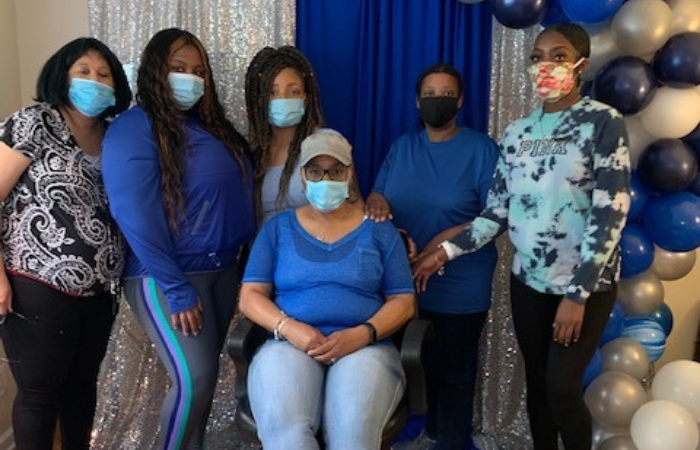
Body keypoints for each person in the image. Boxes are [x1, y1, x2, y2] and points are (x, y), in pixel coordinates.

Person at [414, 24, 630, 450]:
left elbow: (611, 211)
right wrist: (444, 252)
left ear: (580, 65)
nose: (545, 65)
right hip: (527, 280)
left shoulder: (603, 122)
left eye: (558, 55)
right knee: (537, 383)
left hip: (584, 284)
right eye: (537, 56)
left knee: (563, 388)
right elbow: (496, 212)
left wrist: (577, 295)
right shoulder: (517, 133)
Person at [101, 28, 255, 450]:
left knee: (203, 392)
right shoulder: (134, 128)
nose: (190, 78)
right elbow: (135, 214)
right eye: (178, 69)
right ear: (155, 72)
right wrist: (176, 288)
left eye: (198, 71)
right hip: (167, 276)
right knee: (195, 378)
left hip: (224, 272)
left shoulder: (215, 128)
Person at [239, 128, 415, 450]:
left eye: (335, 170)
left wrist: (363, 333)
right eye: (315, 171)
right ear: (302, 178)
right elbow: (250, 297)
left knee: (353, 432)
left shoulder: (379, 231)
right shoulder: (277, 229)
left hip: (365, 348)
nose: (326, 179)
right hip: (289, 345)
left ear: (349, 175)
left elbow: (404, 301)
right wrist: (289, 328)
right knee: (285, 435)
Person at [0, 37, 131, 449]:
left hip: (99, 292)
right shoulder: (35, 122)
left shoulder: (116, 137)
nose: (95, 80)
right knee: (41, 396)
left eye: (104, 73)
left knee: (81, 393)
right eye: (84, 71)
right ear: (62, 75)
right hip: (37, 284)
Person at [366, 63, 499, 450]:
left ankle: (452, 442)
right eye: (429, 94)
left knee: (454, 374)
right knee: (415, 369)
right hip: (404, 284)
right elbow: (379, 195)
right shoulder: (402, 147)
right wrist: (375, 200)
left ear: (459, 101)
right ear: (416, 101)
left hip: (460, 282)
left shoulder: (480, 150)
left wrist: (437, 249)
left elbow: (495, 215)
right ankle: (428, 434)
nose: (437, 101)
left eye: (445, 94)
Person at [244, 46, 324, 224]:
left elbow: (353, 208)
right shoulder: (252, 156)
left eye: (293, 91)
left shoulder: (325, 144)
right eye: (273, 93)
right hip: (262, 250)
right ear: (260, 100)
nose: (284, 99)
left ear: (305, 98)